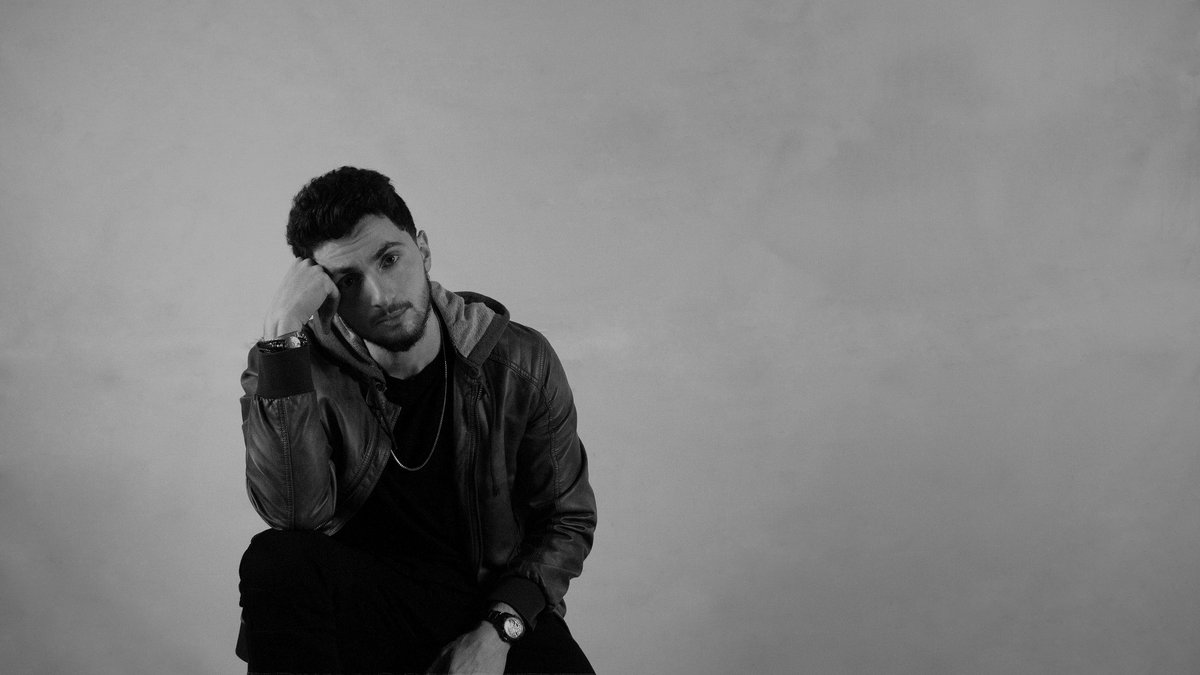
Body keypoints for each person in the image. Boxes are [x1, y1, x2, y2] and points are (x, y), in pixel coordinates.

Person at [236, 166, 597, 674]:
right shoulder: (290, 368)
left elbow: (565, 520)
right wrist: (281, 336)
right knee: (276, 558)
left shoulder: (519, 361)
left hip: (485, 604)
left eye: (389, 259)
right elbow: (294, 518)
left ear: (423, 249)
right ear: (324, 294)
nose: (380, 296)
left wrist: (499, 633)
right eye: (348, 280)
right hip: (360, 609)